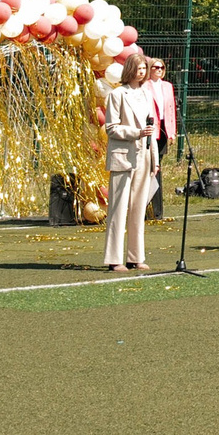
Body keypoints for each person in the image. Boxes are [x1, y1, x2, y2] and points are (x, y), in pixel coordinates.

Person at [100, 51, 162, 271]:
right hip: (123, 156)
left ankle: (135, 256)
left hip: (143, 156)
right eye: (138, 68)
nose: (142, 71)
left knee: (138, 208)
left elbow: (151, 129)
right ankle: (114, 259)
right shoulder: (118, 95)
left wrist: (154, 158)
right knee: (118, 208)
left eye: (144, 68)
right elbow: (111, 128)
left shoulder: (146, 94)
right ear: (129, 70)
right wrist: (136, 132)